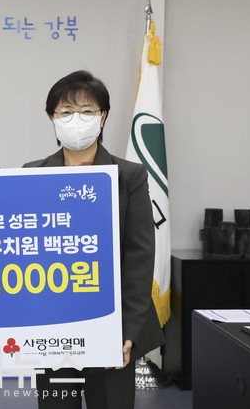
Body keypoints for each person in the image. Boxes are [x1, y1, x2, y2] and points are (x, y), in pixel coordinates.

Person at [24, 70, 164, 409]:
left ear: (103, 118)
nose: (77, 119)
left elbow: (139, 256)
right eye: (66, 111)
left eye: (87, 111)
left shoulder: (129, 175)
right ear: (52, 119)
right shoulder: (31, 173)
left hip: (112, 325)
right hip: (53, 325)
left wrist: (127, 331)